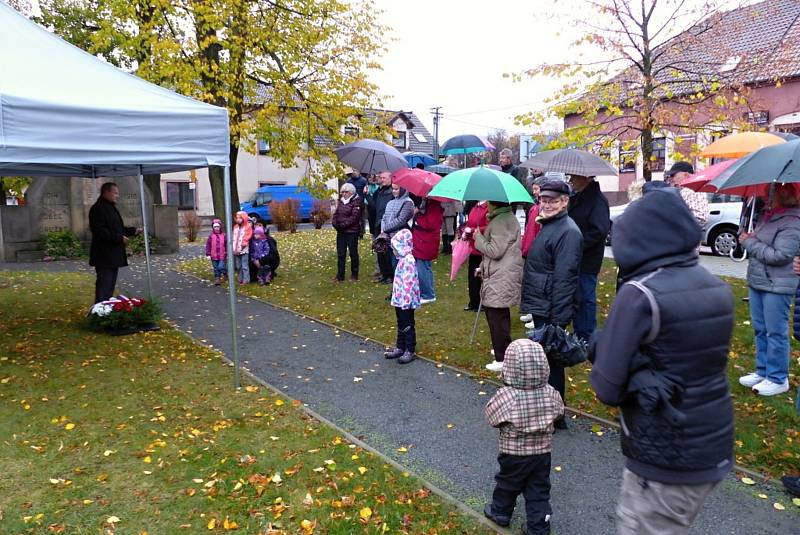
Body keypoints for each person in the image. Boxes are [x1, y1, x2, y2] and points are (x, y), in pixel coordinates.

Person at [590, 187, 735, 535]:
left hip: (664, 453)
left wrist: (602, 345)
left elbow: (605, 387)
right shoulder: (717, 287)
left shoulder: (639, 294)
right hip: (712, 441)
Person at [483, 339, 564, 534]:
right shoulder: (550, 393)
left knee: (507, 482)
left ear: (510, 367)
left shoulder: (507, 396)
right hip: (542, 453)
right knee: (539, 490)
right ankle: (539, 526)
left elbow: (491, 417)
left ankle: (500, 512)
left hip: (513, 453)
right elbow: (560, 412)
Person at [520, 181, 582, 429]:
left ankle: (556, 416)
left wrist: (558, 320)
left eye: (552, 200)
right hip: (541, 302)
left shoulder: (568, 231)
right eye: (543, 200)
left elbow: (565, 279)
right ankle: (549, 411)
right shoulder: (550, 225)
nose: (546, 204)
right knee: (544, 362)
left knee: (552, 364)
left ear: (565, 201)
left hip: (550, 307)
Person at [737, 184, 800, 396]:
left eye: (769, 194)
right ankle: (762, 371)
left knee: (775, 332)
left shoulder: (792, 221)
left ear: (782, 196)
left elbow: (780, 256)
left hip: (778, 284)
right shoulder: (767, 216)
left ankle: (777, 378)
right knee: (761, 329)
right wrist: (751, 237)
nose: (765, 197)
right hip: (759, 281)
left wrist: (750, 242)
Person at [474, 201, 523, 372]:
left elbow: (495, 251)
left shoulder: (501, 221)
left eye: (488, 202)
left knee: (496, 316)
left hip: (501, 276)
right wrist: (483, 267)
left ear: (495, 203)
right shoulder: (504, 218)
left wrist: (478, 237)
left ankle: (502, 358)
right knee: (499, 315)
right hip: (501, 273)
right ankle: (502, 348)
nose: (486, 204)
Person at [567, 175, 610, 341]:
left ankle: (586, 335)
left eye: (574, 177)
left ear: (585, 178)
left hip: (587, 258)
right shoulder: (578, 197)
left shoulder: (597, 200)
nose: (571, 180)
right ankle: (579, 332)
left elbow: (599, 231)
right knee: (577, 296)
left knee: (585, 297)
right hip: (576, 256)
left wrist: (577, 244)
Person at [89, 182, 138, 303]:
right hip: (104, 255)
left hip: (112, 256)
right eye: (115, 192)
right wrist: (119, 238)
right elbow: (100, 231)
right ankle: (100, 312)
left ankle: (106, 310)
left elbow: (117, 229)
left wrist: (134, 231)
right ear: (106, 192)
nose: (117, 195)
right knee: (104, 286)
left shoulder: (110, 207)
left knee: (109, 287)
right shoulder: (98, 209)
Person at [383, 229, 420, 365]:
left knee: (407, 323)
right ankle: (400, 346)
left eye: (395, 247)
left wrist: (406, 300)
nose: (394, 251)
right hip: (399, 298)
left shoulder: (408, 260)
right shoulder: (401, 260)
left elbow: (409, 283)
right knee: (400, 322)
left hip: (406, 300)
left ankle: (410, 348)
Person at [412, 198, 444, 303]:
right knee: (423, 267)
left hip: (426, 242)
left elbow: (430, 224)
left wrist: (417, 217)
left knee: (423, 268)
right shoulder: (428, 203)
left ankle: (428, 294)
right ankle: (425, 292)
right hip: (422, 240)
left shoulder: (434, 206)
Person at [331, 182, 363, 282]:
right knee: (341, 254)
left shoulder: (357, 202)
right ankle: (340, 275)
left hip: (352, 232)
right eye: (342, 192)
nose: (344, 194)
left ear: (351, 192)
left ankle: (354, 274)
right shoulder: (341, 202)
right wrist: (335, 224)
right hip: (341, 232)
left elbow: (354, 218)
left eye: (346, 192)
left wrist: (343, 225)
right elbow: (336, 214)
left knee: (353, 254)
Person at [462, 201, 490, 311]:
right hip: (473, 247)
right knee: (472, 277)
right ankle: (473, 302)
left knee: (481, 277)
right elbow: (470, 223)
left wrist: (472, 230)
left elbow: (488, 227)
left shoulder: (487, 208)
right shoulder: (475, 207)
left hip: (482, 248)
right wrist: (465, 232)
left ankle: (482, 303)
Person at [381, 184, 415, 271]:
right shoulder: (390, 202)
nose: (394, 191)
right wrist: (382, 229)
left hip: (400, 238)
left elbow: (401, 220)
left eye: (396, 189)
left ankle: (400, 282)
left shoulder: (408, 202)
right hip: (388, 236)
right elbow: (384, 217)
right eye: (393, 189)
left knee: (397, 263)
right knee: (389, 261)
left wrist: (385, 229)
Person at [369, 171, 395, 283]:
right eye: (380, 177)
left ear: (390, 178)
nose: (381, 179)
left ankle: (390, 275)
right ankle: (384, 274)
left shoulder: (392, 193)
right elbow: (374, 206)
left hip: (387, 225)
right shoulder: (379, 191)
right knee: (380, 251)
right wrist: (366, 194)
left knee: (388, 252)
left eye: (384, 178)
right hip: (377, 224)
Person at [665, 161, 709, 226]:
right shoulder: (685, 190)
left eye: (673, 175)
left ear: (686, 175)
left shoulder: (692, 191)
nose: (671, 178)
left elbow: (700, 218)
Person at [520, 177, 548, 258]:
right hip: (530, 248)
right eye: (533, 189)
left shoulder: (543, 209)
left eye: (536, 189)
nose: (534, 192)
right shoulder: (534, 207)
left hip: (535, 249)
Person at [231, 210, 253, 285]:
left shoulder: (247, 226)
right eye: (237, 218)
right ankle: (240, 279)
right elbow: (234, 236)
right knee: (238, 266)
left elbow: (248, 236)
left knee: (244, 266)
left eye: (240, 218)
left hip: (244, 250)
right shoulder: (236, 227)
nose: (238, 220)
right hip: (236, 250)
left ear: (244, 218)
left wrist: (243, 244)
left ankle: (246, 280)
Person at [205, 218, 227, 285]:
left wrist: (227, 252)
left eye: (218, 227)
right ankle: (217, 278)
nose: (216, 228)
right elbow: (208, 245)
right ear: (213, 227)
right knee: (215, 268)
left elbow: (226, 245)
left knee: (220, 267)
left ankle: (225, 273)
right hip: (213, 255)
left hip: (222, 255)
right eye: (215, 227)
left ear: (220, 227)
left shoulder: (224, 235)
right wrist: (208, 254)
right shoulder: (211, 236)